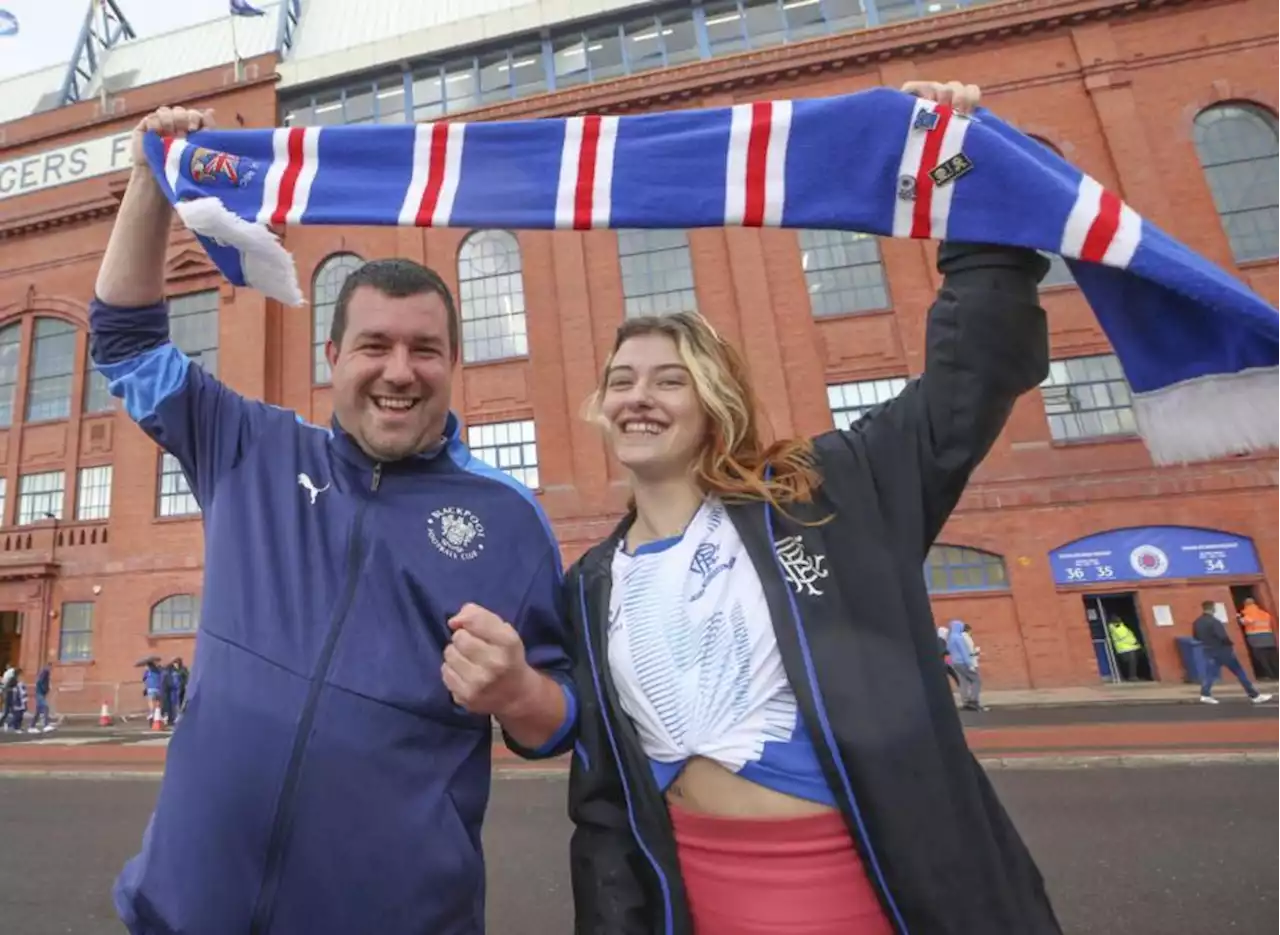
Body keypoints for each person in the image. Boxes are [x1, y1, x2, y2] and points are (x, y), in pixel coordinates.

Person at [563, 79, 1062, 935]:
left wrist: (960, 160)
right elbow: (605, 803)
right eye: (622, 380)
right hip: (701, 900)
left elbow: (966, 378)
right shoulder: (590, 583)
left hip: (863, 892)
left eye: (669, 378)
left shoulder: (826, 494)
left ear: (716, 401)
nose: (639, 397)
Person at [92, 105, 576, 935]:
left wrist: (520, 690)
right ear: (333, 360)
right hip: (185, 911)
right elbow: (127, 342)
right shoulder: (250, 447)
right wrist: (148, 178)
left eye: (424, 349)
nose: (399, 370)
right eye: (373, 345)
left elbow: (561, 716)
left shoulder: (509, 517)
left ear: (452, 364)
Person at [1192, 601, 1273, 705]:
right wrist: (1229, 644)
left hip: (1208, 650)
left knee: (1210, 674)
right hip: (1223, 651)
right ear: (1212, 608)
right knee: (1239, 672)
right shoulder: (1214, 621)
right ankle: (1254, 695)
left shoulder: (1197, 622)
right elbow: (1222, 636)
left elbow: (1196, 637)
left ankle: (1205, 695)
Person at [1237, 598, 1279, 681]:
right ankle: (1277, 674)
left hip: (1256, 639)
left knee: (1262, 658)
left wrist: (1238, 617)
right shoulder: (1264, 613)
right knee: (1273, 658)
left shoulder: (1246, 613)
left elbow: (1243, 622)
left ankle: (1269, 675)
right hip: (1268, 637)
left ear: (1245, 604)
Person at [949, 619, 984, 712]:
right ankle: (973, 701)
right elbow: (964, 652)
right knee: (977, 680)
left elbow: (949, 651)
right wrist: (970, 664)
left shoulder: (951, 638)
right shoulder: (959, 638)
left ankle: (965, 702)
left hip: (955, 663)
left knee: (963, 682)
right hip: (963, 662)